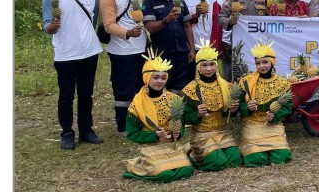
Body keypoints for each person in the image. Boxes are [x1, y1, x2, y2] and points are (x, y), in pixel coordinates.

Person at [43, 0, 104, 150]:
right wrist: (51, 27)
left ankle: (86, 130)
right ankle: (67, 133)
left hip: (89, 51)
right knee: (66, 95)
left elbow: (92, 22)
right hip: (66, 55)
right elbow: (47, 25)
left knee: (86, 94)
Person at [122, 50, 194, 182]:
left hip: (170, 144)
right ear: (146, 78)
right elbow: (132, 134)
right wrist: (154, 136)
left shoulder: (174, 99)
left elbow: (181, 123)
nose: (160, 81)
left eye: (163, 77)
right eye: (155, 77)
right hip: (150, 146)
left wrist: (178, 133)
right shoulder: (136, 104)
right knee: (164, 174)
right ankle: (135, 168)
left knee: (187, 170)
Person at [100, 0, 147, 136]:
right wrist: (127, 32)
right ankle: (123, 126)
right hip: (121, 51)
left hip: (139, 48)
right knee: (123, 89)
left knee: (139, 86)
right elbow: (108, 25)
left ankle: (137, 120)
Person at [180, 40, 241, 171]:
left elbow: (227, 114)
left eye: (212, 64)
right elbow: (183, 117)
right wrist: (197, 114)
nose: (209, 69)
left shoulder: (226, 86)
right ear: (198, 67)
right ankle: (192, 154)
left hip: (221, 131)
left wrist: (233, 110)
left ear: (217, 65)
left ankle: (208, 152)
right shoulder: (190, 89)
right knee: (217, 163)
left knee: (235, 159)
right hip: (201, 134)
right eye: (204, 65)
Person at [237, 41, 293, 166]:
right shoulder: (247, 81)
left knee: (282, 158)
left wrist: (275, 116)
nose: (261, 66)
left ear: (272, 62)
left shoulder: (282, 83)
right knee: (256, 160)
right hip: (252, 124)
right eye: (258, 63)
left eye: (265, 62)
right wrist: (247, 108)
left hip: (273, 125)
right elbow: (239, 104)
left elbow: (288, 106)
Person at [142, 0, 195, 92]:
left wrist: (191, 49)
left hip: (182, 51)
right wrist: (166, 20)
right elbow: (150, 27)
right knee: (162, 85)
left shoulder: (179, 1)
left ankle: (177, 109)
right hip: (162, 52)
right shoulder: (150, 2)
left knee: (181, 86)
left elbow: (187, 25)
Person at [218, 0, 269, 64]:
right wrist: (229, 21)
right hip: (239, 41)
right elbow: (221, 18)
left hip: (259, 40)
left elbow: (271, 17)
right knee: (240, 68)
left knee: (259, 67)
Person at [177, 0, 217, 64]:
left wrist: (216, 45)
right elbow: (180, 22)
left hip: (209, 45)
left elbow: (216, 22)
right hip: (191, 45)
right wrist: (196, 15)